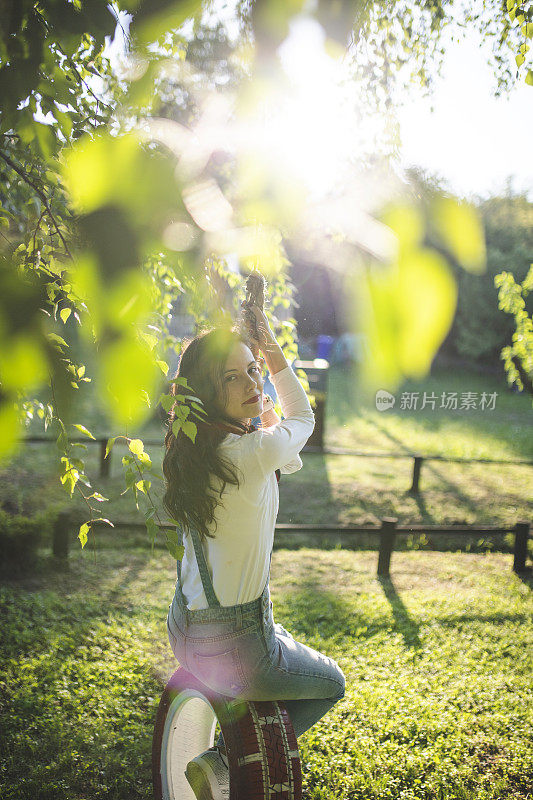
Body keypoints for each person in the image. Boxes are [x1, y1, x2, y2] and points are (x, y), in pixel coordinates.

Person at [163, 304, 346, 800]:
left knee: (277, 636)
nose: (250, 384)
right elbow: (302, 418)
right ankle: (221, 763)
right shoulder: (251, 453)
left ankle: (253, 679)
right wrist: (268, 344)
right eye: (231, 378)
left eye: (253, 372)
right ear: (205, 392)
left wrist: (254, 391)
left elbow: (281, 455)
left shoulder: (198, 450)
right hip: (239, 649)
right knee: (334, 683)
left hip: (184, 628)